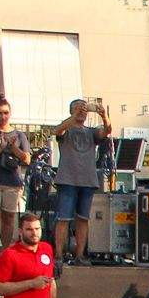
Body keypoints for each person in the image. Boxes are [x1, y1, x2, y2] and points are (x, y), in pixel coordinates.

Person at [48, 98, 108, 263]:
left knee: (83, 219)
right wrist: (74, 116)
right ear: (71, 111)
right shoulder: (66, 129)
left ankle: (80, 255)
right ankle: (59, 255)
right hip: (67, 179)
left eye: (83, 108)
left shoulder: (91, 132)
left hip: (88, 180)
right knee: (63, 218)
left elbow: (106, 131)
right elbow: (57, 131)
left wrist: (104, 116)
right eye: (77, 108)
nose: (82, 111)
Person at [0, 96, 33, 247]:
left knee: (8, 218)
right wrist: (1, 147)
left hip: (12, 182)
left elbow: (27, 159)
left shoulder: (19, 135)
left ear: (10, 113)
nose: (3, 116)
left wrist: (13, 148)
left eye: (5, 113)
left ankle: (4, 252)